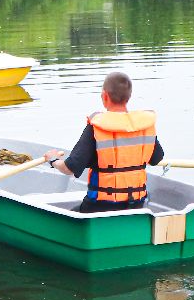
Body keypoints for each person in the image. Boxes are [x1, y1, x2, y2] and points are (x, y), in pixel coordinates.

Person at [44, 71, 164, 213]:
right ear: (129, 97)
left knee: (65, 219)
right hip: (136, 205)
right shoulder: (143, 127)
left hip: (99, 208)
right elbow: (156, 159)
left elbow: (69, 168)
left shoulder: (97, 127)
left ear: (104, 96)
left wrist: (53, 159)